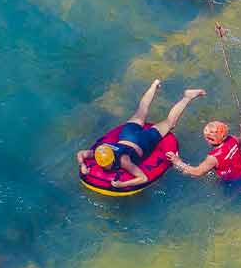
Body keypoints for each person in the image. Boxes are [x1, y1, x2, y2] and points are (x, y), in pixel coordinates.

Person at [77, 81, 205, 189]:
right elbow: (81, 153)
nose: (105, 167)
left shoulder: (124, 161)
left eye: (107, 164)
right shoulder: (100, 151)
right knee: (141, 110)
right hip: (127, 134)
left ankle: (187, 96)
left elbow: (143, 178)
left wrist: (122, 184)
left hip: (142, 141)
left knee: (170, 123)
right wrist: (82, 165)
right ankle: (154, 85)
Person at [166, 119, 241, 214]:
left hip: (233, 183)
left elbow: (197, 172)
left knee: (228, 206)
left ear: (208, 139)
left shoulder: (213, 158)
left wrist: (178, 162)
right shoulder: (233, 140)